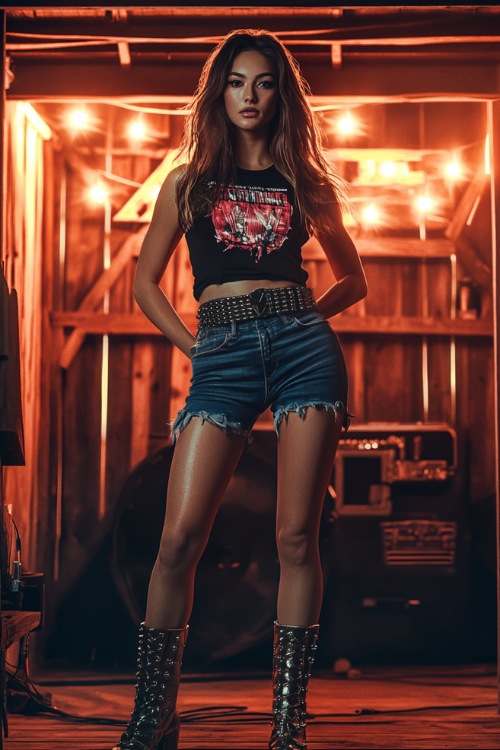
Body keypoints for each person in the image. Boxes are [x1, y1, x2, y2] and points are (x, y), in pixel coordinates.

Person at [113, 28, 367, 750]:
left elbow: (355, 277)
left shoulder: (304, 183)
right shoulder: (188, 181)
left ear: (280, 93)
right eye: (236, 83)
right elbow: (143, 283)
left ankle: (288, 727)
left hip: (301, 350)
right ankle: (152, 716)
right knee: (177, 539)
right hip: (220, 351)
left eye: (262, 83)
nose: (250, 96)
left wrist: (298, 320)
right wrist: (201, 345)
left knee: (295, 535)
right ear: (217, 93)